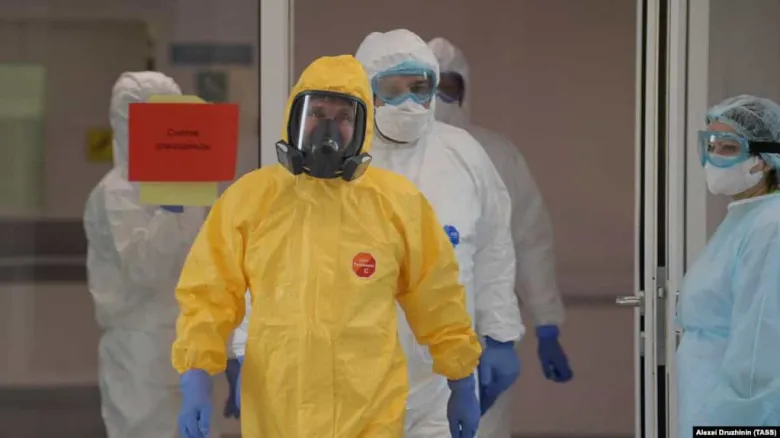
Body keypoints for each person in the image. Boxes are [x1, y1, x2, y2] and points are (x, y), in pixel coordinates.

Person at [171, 54, 483, 438]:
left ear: (362, 125)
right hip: (278, 410)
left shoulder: (396, 204)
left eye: (344, 117)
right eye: (317, 113)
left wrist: (460, 376)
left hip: (368, 411)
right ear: (294, 116)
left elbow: (436, 294)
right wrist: (196, 372)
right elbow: (209, 292)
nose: (328, 128)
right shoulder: (250, 200)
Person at [352, 29, 525, 437]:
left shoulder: (463, 155)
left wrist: (500, 336)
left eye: (419, 88)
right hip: (354, 375)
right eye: (391, 90)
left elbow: (493, 250)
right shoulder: (343, 159)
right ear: (363, 88)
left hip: (445, 378)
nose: (408, 103)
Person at [427, 37, 572, 437]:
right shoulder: (387, 158)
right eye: (429, 85)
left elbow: (530, 240)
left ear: (465, 90)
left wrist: (546, 323)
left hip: (480, 334)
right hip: (403, 336)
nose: (438, 98)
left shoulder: (496, 155)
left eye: (449, 86)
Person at [83, 72, 208, 438]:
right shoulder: (115, 193)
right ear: (128, 123)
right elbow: (145, 269)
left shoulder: (188, 187)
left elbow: (205, 262)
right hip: (138, 350)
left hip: (187, 342)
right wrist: (169, 212)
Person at [676, 94, 780, 436]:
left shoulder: (771, 226)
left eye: (729, 148)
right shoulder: (745, 218)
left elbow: (761, 350)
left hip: (738, 417)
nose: (715, 157)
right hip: (711, 406)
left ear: (764, 161)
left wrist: (731, 424)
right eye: (711, 145)